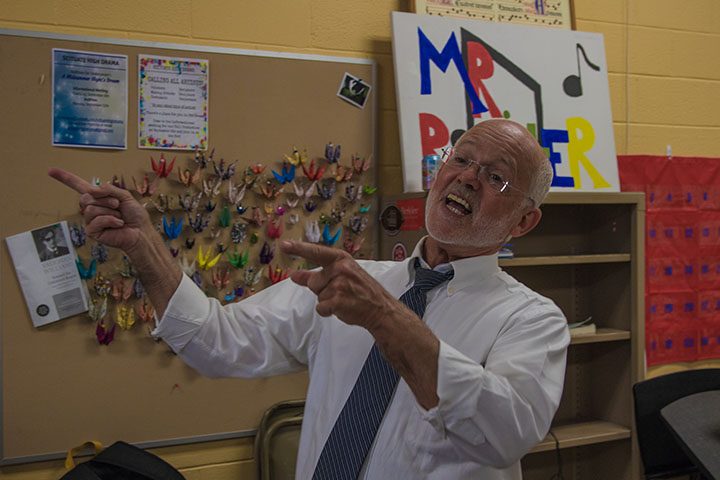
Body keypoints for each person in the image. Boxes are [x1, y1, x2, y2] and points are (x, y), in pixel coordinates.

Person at [49, 119, 569, 479]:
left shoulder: (531, 320)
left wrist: (387, 317)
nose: (469, 178)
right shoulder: (355, 281)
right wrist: (146, 251)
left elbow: (505, 433)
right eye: (462, 159)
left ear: (524, 220)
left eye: (496, 176)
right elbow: (214, 340)